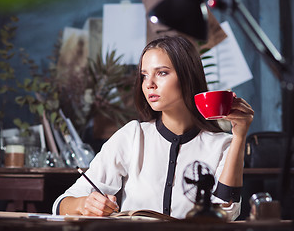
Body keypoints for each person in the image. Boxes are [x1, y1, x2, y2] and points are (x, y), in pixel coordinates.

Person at [52, 36, 254, 220]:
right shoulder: (132, 136)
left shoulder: (223, 145)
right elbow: (62, 203)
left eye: (162, 73)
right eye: (144, 75)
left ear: (188, 77)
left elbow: (226, 212)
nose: (149, 84)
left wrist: (239, 136)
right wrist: (83, 204)